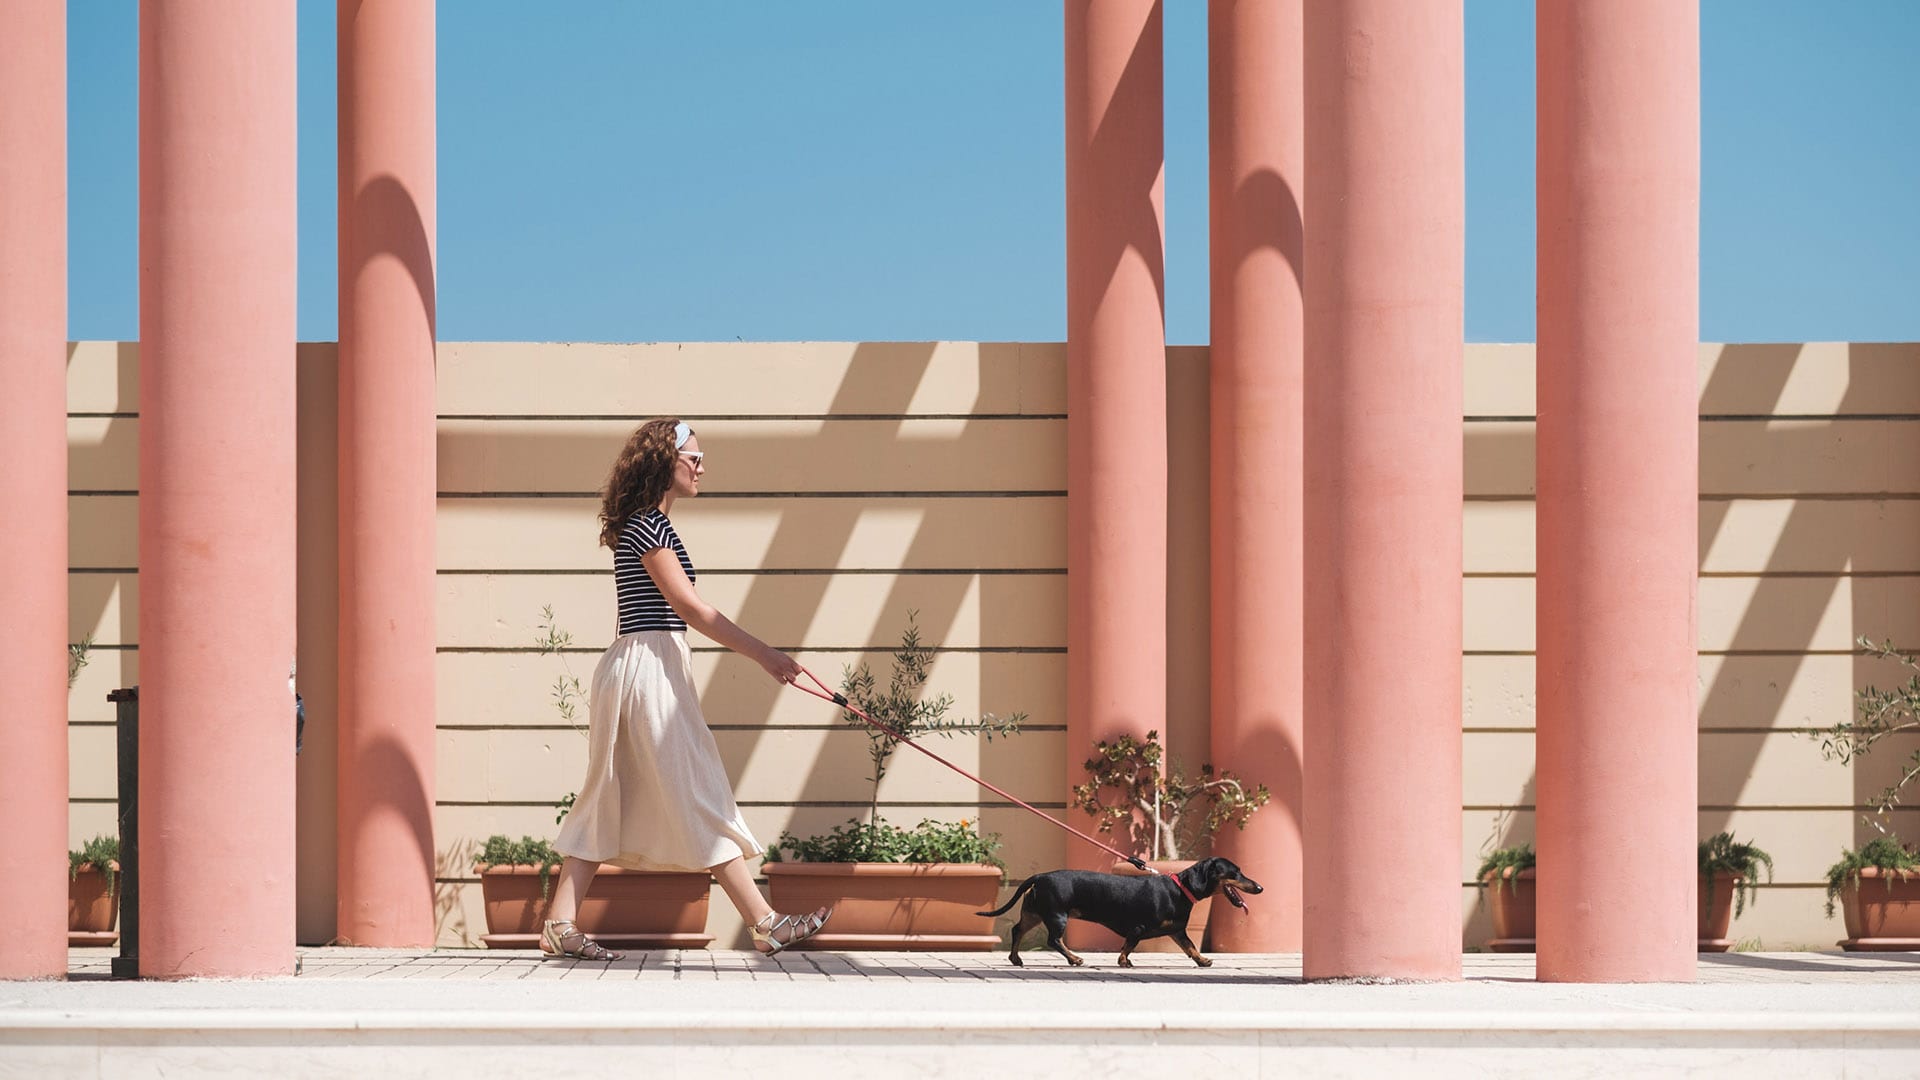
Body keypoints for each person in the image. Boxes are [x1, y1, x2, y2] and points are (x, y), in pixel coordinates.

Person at [544, 418, 831, 959]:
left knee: (609, 795)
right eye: (693, 457)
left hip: (643, 665)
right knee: (697, 785)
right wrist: (765, 655)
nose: (702, 466)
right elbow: (690, 609)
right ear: (663, 462)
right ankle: (766, 923)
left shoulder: (649, 524)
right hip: (648, 670)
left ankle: (559, 925)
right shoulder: (647, 525)